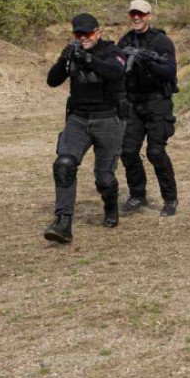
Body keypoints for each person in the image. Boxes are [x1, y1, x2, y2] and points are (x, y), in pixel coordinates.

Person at [43, 13, 128, 243]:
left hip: (108, 119)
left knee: (104, 177)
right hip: (78, 119)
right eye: (78, 34)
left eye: (87, 34)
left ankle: (111, 205)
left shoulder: (113, 52)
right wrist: (63, 61)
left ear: (98, 33)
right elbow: (52, 81)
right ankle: (63, 222)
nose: (83, 38)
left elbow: (115, 71)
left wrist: (88, 59)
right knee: (64, 164)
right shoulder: (73, 52)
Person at [116, 0, 180, 217]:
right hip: (133, 103)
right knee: (127, 150)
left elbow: (170, 72)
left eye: (141, 14)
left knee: (155, 152)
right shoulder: (125, 40)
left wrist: (148, 62)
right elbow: (114, 68)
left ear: (149, 16)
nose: (136, 18)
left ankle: (170, 198)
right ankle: (137, 194)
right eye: (133, 13)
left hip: (157, 102)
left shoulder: (162, 41)